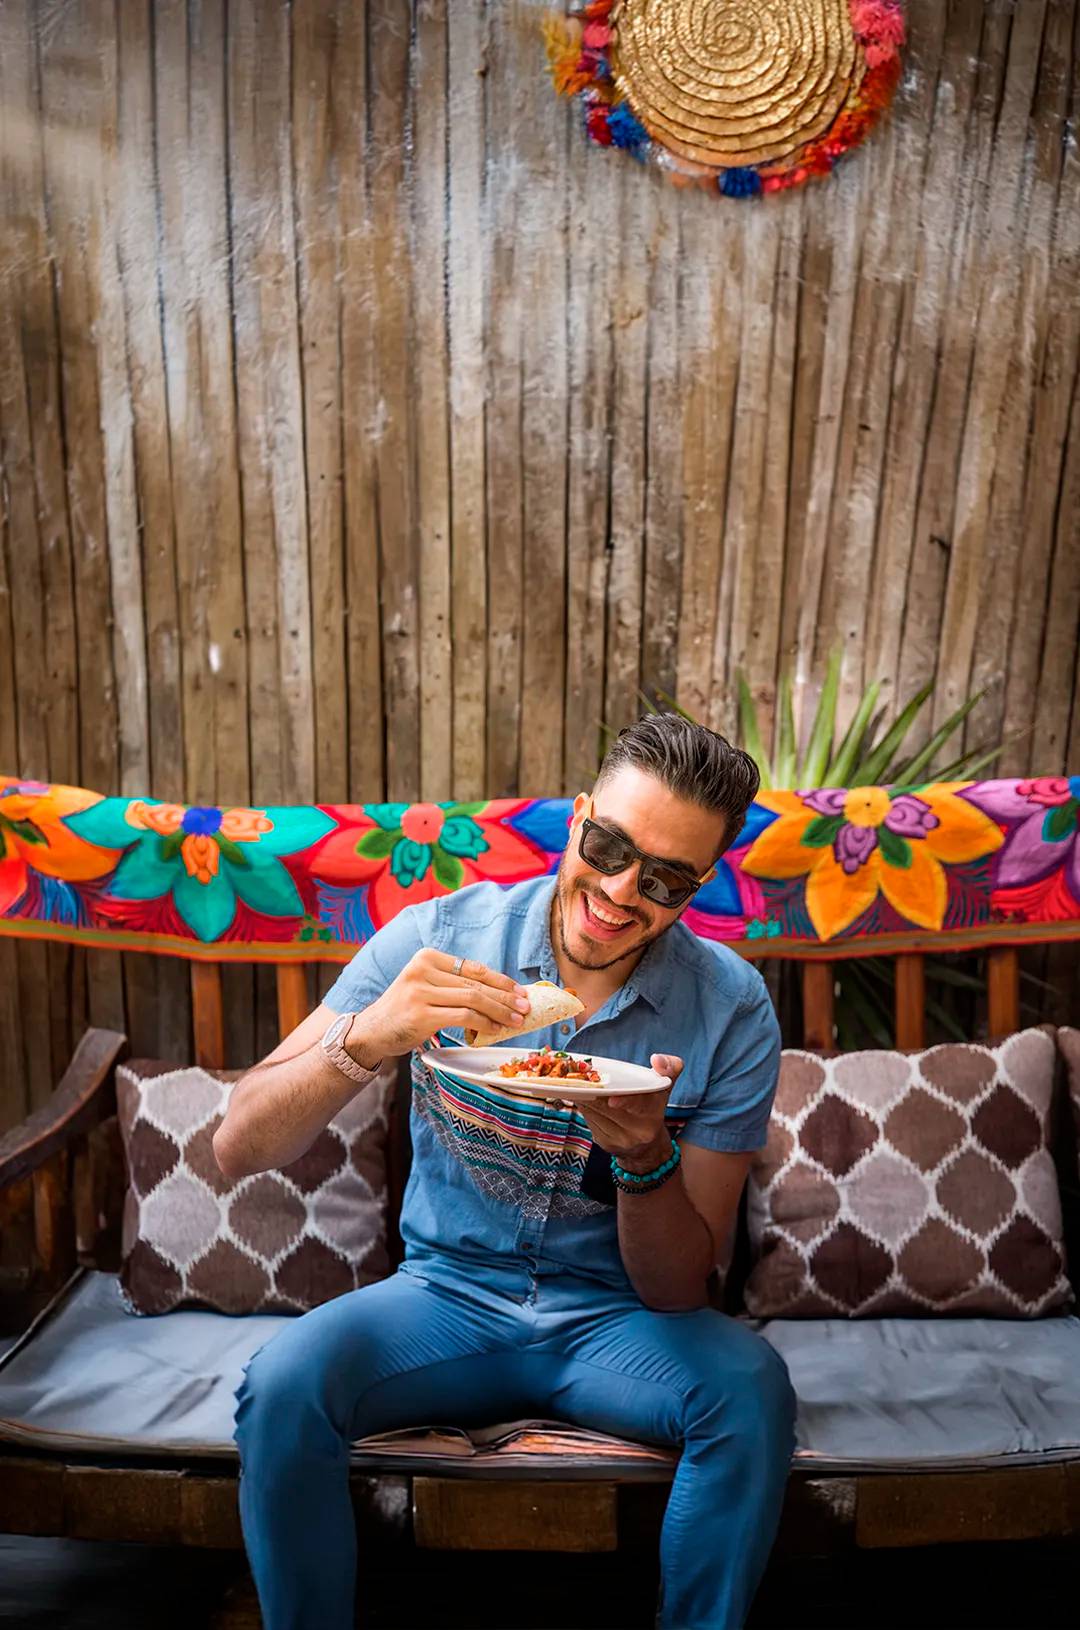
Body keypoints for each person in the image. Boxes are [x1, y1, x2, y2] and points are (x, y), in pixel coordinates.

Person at [215, 714, 795, 1630]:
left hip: (623, 1326)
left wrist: (645, 1157)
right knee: (283, 1384)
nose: (617, 891)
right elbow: (237, 1145)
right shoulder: (440, 937)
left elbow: (684, 1286)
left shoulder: (730, 1008)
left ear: (696, 888)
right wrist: (366, 1039)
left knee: (751, 1391)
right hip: (443, 1299)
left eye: (665, 881)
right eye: (608, 847)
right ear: (577, 818)